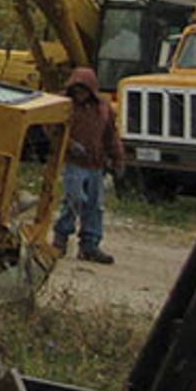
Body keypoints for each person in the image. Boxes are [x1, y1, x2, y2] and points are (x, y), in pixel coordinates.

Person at [53, 66, 121, 264]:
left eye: (83, 90)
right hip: (73, 163)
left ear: (91, 90)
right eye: (76, 89)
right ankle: (60, 239)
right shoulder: (64, 105)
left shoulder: (103, 108)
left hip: (95, 164)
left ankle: (90, 245)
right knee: (74, 199)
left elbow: (111, 135)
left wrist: (117, 158)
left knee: (94, 205)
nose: (79, 94)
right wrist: (68, 144)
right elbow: (52, 128)